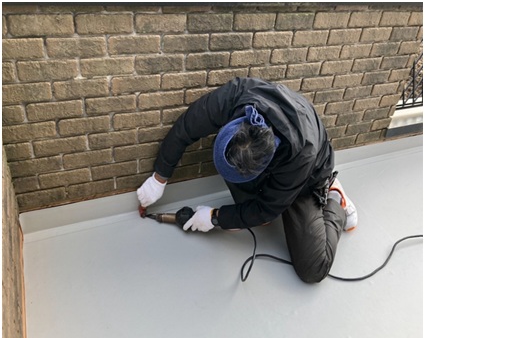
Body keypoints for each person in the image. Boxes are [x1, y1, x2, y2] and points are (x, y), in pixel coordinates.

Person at [136, 77, 357, 283]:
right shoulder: (235, 95)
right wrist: (159, 178)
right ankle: (248, 207)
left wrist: (215, 217)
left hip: (308, 177)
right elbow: (185, 127)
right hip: (277, 164)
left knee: (313, 269)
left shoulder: (301, 155)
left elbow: (266, 209)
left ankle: (335, 198)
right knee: (249, 211)